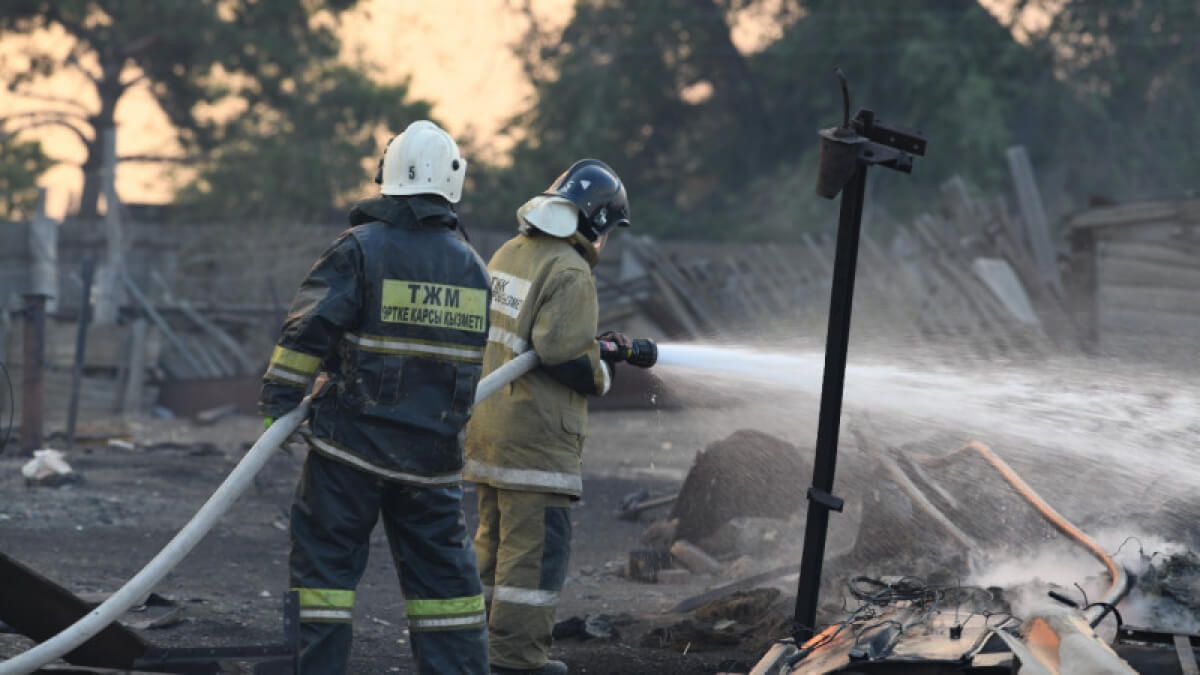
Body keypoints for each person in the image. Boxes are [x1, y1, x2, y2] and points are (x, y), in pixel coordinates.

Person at [259, 120, 490, 674]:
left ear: (388, 178)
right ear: (451, 181)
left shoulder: (359, 249)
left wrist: (279, 403)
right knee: (447, 591)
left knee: (325, 578)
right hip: (433, 461)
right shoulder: (473, 266)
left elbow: (307, 331)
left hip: (350, 453)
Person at [464, 159, 638, 674]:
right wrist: (603, 369)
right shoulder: (569, 269)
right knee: (534, 557)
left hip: (490, 427)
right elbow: (562, 353)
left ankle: (472, 650)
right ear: (597, 220)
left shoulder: (510, 252)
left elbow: (526, 336)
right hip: (536, 439)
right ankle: (516, 661)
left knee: (491, 548)